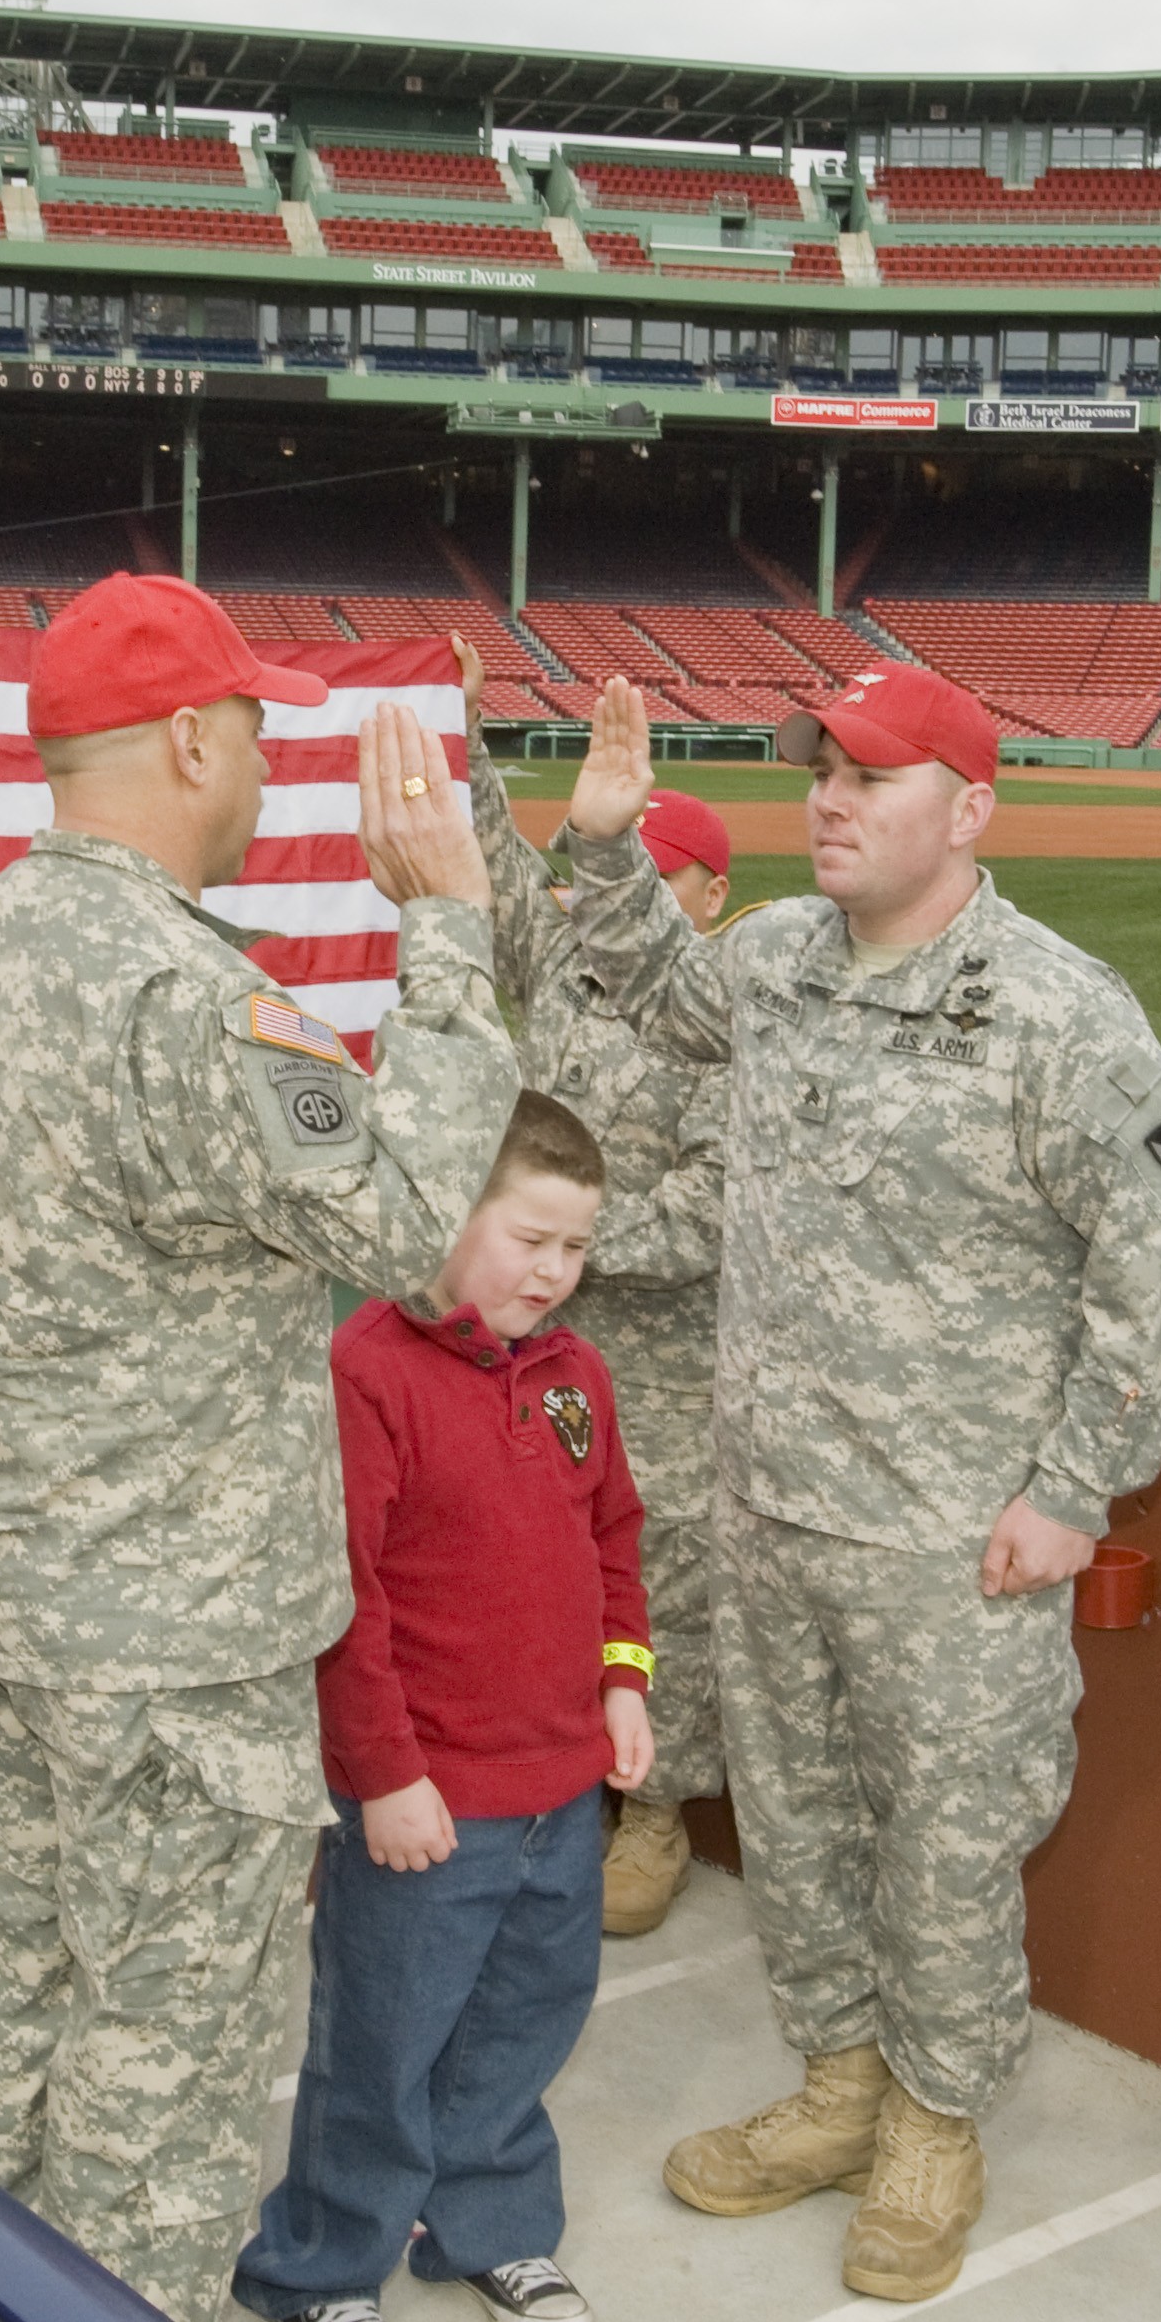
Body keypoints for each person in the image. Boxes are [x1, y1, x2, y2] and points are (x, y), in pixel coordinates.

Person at [0, 573, 514, 2322]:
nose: (270, 769)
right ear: (199, 741)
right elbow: (405, 1229)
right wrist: (448, 924)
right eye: (263, 735)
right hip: (172, 1655)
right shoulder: (194, 999)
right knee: (168, 2060)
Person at [550, 666, 1161, 2304]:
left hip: (951, 1538)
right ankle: (840, 2075)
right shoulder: (775, 960)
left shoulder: (1058, 1013)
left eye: (867, 774)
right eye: (815, 773)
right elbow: (643, 987)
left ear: (971, 808)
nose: (827, 801)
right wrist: (603, 841)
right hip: (771, 1506)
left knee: (945, 1840)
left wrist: (1076, 1485)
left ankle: (935, 2116)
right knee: (791, 1825)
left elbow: (1160, 1260)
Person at [233, 1090, 656, 2322]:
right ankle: (321, 2265)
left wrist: (622, 1685)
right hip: (429, 1804)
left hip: (560, 1798)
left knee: (524, 2021)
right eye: (530, 1235)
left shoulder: (576, 1374)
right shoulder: (367, 1369)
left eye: (576, 1247)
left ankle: (490, 2222)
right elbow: (340, 1600)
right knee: (383, 2038)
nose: (553, 1270)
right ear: (446, 1208)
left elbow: (615, 1543)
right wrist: (387, 1774)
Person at [452, 639, 735, 1936]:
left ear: (709, 897)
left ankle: (660, 1806)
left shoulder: (732, 1015)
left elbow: (711, 1209)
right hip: (539, 1342)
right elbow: (496, 865)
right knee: (537, 1553)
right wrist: (461, 730)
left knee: (661, 1564)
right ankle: (558, 1780)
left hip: (664, 1358)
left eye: (648, 878)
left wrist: (565, 1238)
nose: (604, 902)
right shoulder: (562, 956)